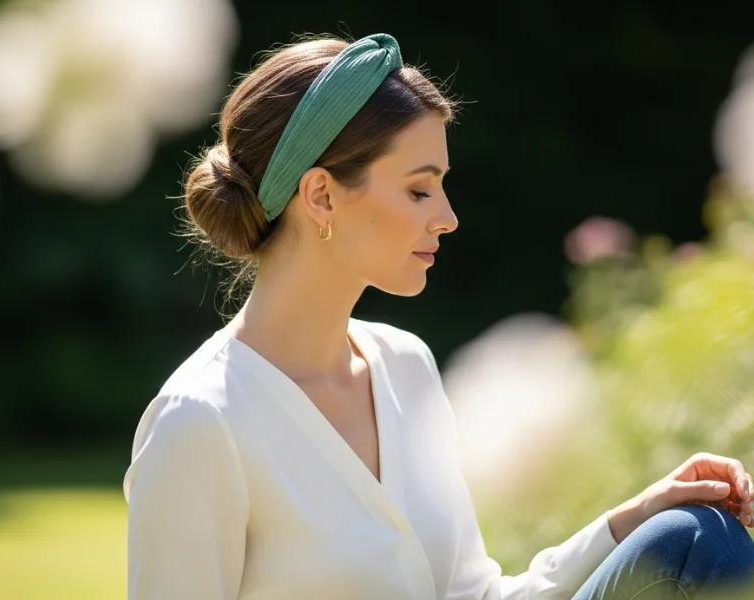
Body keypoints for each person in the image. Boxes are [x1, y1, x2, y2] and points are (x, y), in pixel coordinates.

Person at [123, 33, 754, 599]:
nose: (446, 216)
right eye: (420, 189)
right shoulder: (202, 423)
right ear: (320, 196)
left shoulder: (406, 367)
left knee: (696, 537)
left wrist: (631, 521)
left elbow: (471, 594)